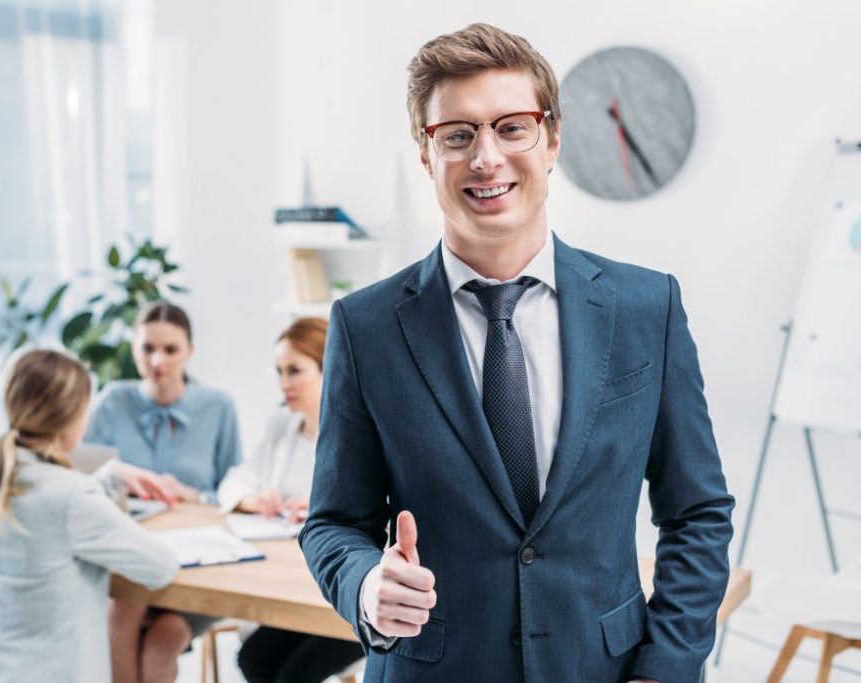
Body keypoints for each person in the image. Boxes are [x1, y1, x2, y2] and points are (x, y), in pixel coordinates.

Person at [299, 23, 735, 683]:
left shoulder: (648, 308)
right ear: (427, 155)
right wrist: (366, 587)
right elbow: (333, 522)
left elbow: (696, 512)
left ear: (552, 139)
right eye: (458, 134)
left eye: (511, 127)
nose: (486, 157)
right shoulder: (364, 327)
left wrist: (666, 668)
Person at [0, 349, 181, 683]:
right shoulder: (72, 497)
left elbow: (43, 508)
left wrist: (111, 476)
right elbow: (160, 568)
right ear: (72, 417)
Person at [84, 300, 241, 683]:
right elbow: (81, 476)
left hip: (199, 562)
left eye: (170, 349)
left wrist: (195, 496)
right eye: (147, 348)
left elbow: (235, 491)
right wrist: (119, 472)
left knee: (160, 643)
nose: (158, 360)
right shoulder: (111, 401)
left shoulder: (218, 407)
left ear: (190, 351)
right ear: (133, 349)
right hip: (131, 554)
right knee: (119, 617)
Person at [216, 317, 363, 683]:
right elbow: (234, 482)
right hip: (292, 585)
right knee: (253, 660)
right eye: (279, 372)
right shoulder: (282, 425)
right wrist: (253, 499)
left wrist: (323, 509)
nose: (284, 384)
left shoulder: (360, 431)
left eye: (295, 371)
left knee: (292, 677)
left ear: (327, 366)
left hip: (345, 594)